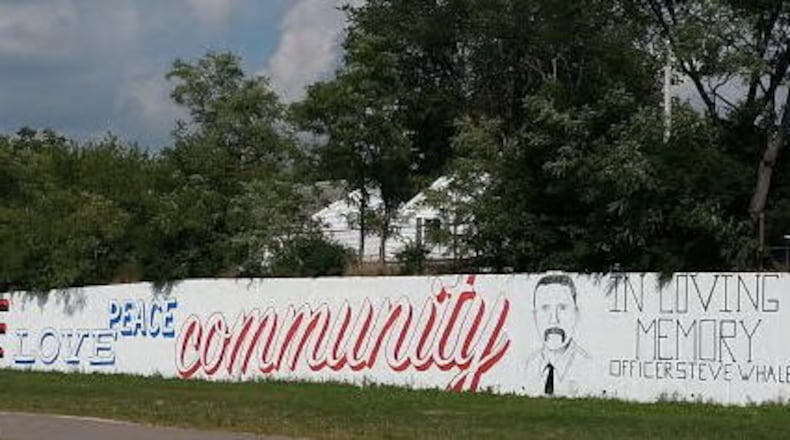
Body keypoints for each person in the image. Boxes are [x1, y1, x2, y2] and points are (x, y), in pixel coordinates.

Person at [524, 274, 590, 397]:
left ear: (576, 314)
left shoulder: (588, 367)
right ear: (534, 316)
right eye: (545, 308)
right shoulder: (529, 365)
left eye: (562, 308)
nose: (554, 319)